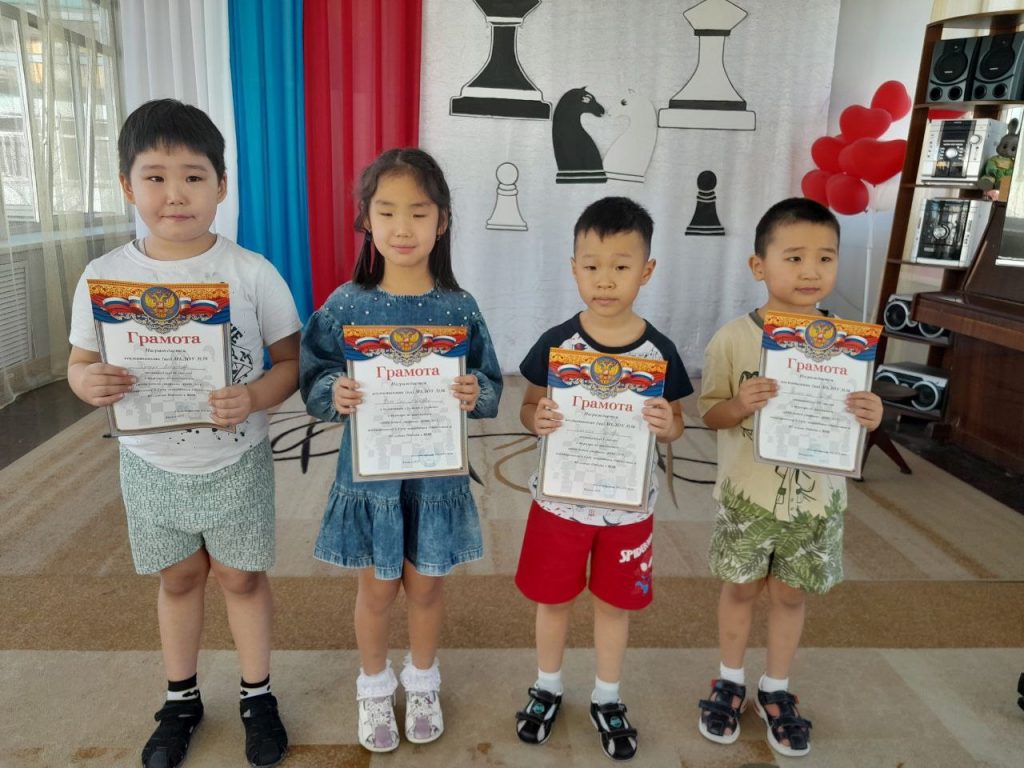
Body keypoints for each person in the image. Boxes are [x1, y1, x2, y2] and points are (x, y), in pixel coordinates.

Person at [67, 99, 299, 768]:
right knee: (177, 578)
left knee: (241, 578)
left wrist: (254, 397)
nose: (175, 194)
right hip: (150, 462)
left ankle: (257, 694)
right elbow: (79, 364)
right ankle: (181, 698)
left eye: (194, 176)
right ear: (127, 185)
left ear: (221, 185)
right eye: (156, 177)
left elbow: (290, 363)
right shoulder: (103, 277)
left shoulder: (251, 272)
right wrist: (88, 383)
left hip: (236, 458)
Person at [299, 148, 502, 753]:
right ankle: (373, 685)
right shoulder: (346, 304)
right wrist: (332, 391)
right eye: (386, 212)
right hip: (373, 481)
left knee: (428, 587)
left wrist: (476, 390)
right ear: (366, 220)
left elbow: (490, 380)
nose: (403, 227)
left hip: (437, 479)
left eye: (419, 212)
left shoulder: (459, 307)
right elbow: (314, 373)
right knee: (378, 589)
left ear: (443, 221)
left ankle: (423, 680)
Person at [696, 197, 883, 758]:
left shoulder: (850, 345)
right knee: (740, 588)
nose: (810, 271)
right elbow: (709, 415)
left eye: (825, 258)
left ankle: (775, 687)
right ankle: (729, 680)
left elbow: (853, 420)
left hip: (815, 503)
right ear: (759, 266)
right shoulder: (733, 338)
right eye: (794, 256)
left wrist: (871, 415)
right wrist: (739, 404)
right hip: (747, 498)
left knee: (791, 595)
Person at [513, 197, 692, 762]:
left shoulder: (659, 352)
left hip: (627, 509)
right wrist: (537, 418)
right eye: (592, 266)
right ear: (574, 268)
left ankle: (607, 695)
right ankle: (547, 685)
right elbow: (528, 406)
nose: (605, 280)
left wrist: (666, 425)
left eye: (621, 266)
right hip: (560, 505)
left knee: (614, 605)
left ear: (647, 270)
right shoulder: (558, 343)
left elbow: (678, 424)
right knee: (553, 601)